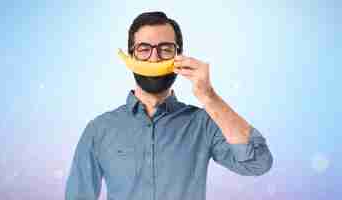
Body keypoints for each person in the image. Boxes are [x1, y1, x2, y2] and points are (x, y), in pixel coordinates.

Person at [65, 11, 273, 200]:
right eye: (144, 49)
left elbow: (258, 163)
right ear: (131, 56)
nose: (154, 58)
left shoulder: (203, 123)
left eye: (165, 49)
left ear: (179, 55)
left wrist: (209, 97)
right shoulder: (99, 129)